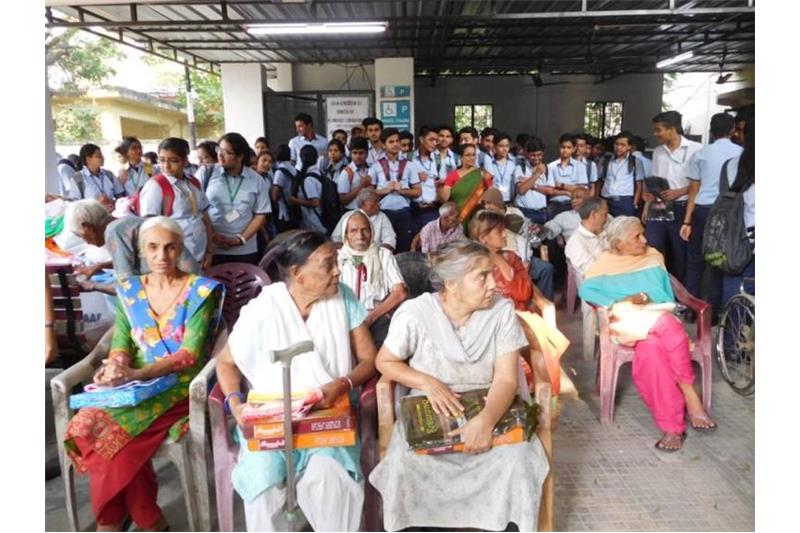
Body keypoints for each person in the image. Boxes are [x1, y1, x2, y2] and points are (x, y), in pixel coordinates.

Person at [369, 240, 550, 532]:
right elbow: (385, 362)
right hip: (432, 405)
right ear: (451, 284)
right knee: (404, 463)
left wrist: (486, 421)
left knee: (515, 459)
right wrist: (427, 381)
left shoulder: (501, 311)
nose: (494, 283)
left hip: (492, 401)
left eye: (493, 274)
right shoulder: (416, 313)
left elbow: (506, 379)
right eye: (483, 276)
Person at [63, 217, 224, 531]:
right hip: (131, 384)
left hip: (176, 386)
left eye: (170, 247)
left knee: (111, 441)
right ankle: (148, 517)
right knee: (82, 426)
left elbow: (189, 354)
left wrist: (138, 373)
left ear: (180, 249)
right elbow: (121, 339)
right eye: (153, 247)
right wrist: (117, 365)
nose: (162, 255)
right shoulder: (129, 289)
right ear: (141, 251)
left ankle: (110, 521)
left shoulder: (200, 291)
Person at [215, 230, 377, 532]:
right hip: (273, 419)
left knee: (329, 480)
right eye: (328, 264)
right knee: (263, 485)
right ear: (298, 273)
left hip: (328, 417)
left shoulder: (344, 299)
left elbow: (370, 360)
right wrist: (235, 405)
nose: (337, 271)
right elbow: (226, 362)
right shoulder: (264, 308)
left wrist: (343, 384)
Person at [579, 216, 717, 451]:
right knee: (668, 326)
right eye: (637, 237)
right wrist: (624, 300)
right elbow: (588, 291)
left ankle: (672, 428)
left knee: (651, 351)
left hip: (656, 322)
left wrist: (649, 302)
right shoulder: (604, 264)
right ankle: (689, 392)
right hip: (627, 323)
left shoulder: (653, 257)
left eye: (643, 233)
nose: (644, 240)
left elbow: (664, 296)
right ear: (618, 243)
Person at [680, 113, 743, 311]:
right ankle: (716, 309)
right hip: (729, 212)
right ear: (733, 130)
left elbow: (693, 190)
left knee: (695, 259)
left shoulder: (700, 154)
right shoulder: (742, 153)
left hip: (703, 211)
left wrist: (687, 221)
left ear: (711, 130)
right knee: (720, 259)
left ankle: (692, 308)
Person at [138, 137, 215, 268]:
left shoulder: (193, 182)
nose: (166, 166)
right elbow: (149, 227)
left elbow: (205, 218)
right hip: (175, 258)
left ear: (185, 161)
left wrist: (209, 251)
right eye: (162, 160)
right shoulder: (156, 186)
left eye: (173, 161)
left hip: (199, 253)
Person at [645, 110, 702, 283]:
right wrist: (648, 206)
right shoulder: (658, 152)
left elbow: (700, 182)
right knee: (653, 249)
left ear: (672, 129)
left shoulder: (696, 150)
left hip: (682, 208)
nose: (655, 134)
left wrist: (680, 192)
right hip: (659, 207)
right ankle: (657, 289)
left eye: (658, 130)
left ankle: (680, 297)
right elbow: (655, 180)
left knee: (680, 255)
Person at [338, 210, 408, 345]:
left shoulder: (384, 255)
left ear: (372, 232)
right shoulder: (339, 259)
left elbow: (400, 292)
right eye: (353, 231)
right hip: (345, 319)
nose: (360, 236)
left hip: (378, 317)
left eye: (365, 230)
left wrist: (371, 318)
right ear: (345, 235)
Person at [205, 132, 271, 265]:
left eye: (226, 152)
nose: (220, 155)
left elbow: (260, 215)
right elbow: (198, 210)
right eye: (219, 150)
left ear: (240, 156)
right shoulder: (207, 173)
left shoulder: (256, 180)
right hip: (212, 249)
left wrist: (240, 239)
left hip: (245, 250)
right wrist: (213, 236)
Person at [479, 188, 555, 301]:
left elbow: (525, 239)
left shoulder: (514, 214)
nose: (487, 207)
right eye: (485, 204)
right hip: (501, 259)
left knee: (547, 269)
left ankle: (544, 303)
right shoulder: (487, 219)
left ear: (498, 201)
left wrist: (525, 260)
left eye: (490, 203)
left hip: (521, 256)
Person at [369, 127, 421, 252]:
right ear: (383, 144)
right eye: (391, 142)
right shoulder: (376, 166)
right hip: (384, 212)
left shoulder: (409, 165)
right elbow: (369, 193)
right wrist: (384, 191)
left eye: (397, 141)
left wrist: (402, 190)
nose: (395, 144)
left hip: (404, 212)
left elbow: (418, 191)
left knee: (404, 247)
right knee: (385, 248)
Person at [720, 118, 755, 304]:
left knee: (735, 294)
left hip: (738, 239)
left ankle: (730, 332)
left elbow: (725, 199)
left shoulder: (730, 165)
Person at [439, 143, 494, 229]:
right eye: (468, 155)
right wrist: (439, 187)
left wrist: (482, 199)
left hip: (477, 216)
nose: (472, 158)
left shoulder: (483, 173)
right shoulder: (452, 175)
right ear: (461, 157)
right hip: (457, 217)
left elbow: (492, 193)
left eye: (473, 155)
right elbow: (445, 198)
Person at [332, 189, 397, 251]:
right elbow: (335, 238)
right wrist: (348, 252)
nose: (379, 204)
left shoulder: (382, 217)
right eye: (375, 201)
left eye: (378, 201)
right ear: (363, 204)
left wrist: (379, 253)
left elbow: (390, 239)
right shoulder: (348, 216)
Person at [600, 131, 645, 217]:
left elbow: (639, 186)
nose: (619, 147)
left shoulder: (635, 162)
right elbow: (599, 181)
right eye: (617, 144)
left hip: (625, 201)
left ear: (629, 146)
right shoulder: (606, 160)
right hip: (606, 200)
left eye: (622, 145)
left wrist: (634, 203)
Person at [546, 134, 589, 220]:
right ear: (559, 147)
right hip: (554, 204)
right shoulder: (551, 166)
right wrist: (570, 189)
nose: (565, 150)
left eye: (569, 147)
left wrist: (561, 185)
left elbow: (581, 189)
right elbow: (550, 189)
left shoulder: (580, 166)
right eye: (563, 147)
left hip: (572, 204)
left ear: (574, 149)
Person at [68, 144, 126, 209]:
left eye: (102, 155)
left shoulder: (109, 174)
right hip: (92, 217)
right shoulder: (78, 179)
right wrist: (97, 204)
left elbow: (120, 197)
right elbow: (74, 205)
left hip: (113, 215)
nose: (103, 158)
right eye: (99, 156)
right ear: (88, 159)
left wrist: (112, 202)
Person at [515, 136, 557, 225]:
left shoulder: (547, 169)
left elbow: (550, 190)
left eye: (539, 155)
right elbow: (521, 190)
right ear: (526, 153)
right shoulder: (520, 168)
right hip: (524, 212)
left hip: (542, 213)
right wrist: (537, 174)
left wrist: (531, 185)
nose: (536, 158)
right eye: (533, 155)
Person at [565, 197, 609, 278]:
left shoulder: (604, 233)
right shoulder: (576, 242)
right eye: (605, 215)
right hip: (596, 286)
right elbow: (593, 271)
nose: (607, 219)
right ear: (593, 215)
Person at [410, 126, 442, 233]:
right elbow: (402, 182)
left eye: (436, 140)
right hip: (414, 209)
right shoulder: (409, 158)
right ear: (421, 139)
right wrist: (415, 178)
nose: (434, 143)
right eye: (431, 139)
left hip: (432, 210)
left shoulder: (438, 160)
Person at [482, 132, 522, 204]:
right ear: (494, 146)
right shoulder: (489, 162)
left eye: (507, 146)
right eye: (501, 146)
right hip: (494, 201)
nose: (504, 149)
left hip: (511, 202)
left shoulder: (515, 162)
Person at [337, 137, 372, 211]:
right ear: (350, 154)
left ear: (367, 154)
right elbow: (343, 200)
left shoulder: (371, 169)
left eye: (361, 153)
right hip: (353, 212)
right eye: (355, 153)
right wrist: (361, 186)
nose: (358, 156)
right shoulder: (346, 172)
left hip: (370, 211)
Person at [271, 144, 298, 232]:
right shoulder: (293, 169)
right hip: (294, 210)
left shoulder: (280, 172)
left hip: (283, 212)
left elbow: (275, 196)